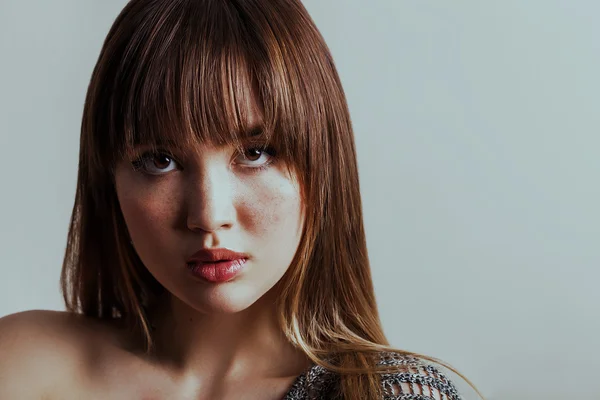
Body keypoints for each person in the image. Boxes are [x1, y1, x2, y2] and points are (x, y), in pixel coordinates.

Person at [0, 0, 482, 399]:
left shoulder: (388, 395)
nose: (209, 215)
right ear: (108, 176)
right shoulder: (21, 365)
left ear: (322, 165)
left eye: (254, 153)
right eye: (159, 160)